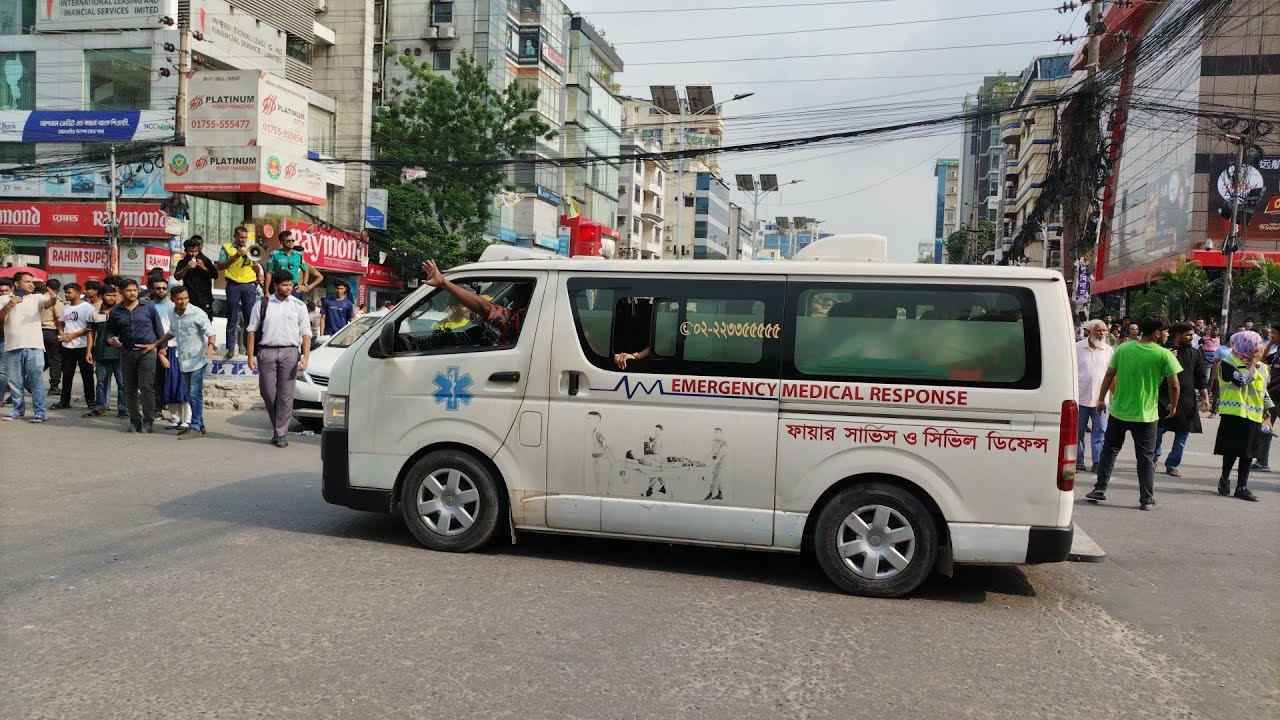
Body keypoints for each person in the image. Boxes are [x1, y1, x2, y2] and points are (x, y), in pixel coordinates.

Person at [1086, 316, 1182, 510]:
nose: (1167, 334)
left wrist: (1101, 400)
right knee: (1145, 457)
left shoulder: (1123, 349)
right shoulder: (1164, 354)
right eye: (1165, 331)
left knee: (1110, 450)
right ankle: (1146, 499)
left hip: (1119, 411)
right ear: (1156, 332)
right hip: (1146, 415)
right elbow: (1174, 385)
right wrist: (1173, 405)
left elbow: (1109, 375)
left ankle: (1099, 488)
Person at [247, 270, 312, 448]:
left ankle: (280, 432)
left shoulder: (298, 305)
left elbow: (306, 333)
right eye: (284, 285)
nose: (288, 288)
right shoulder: (262, 304)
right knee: (267, 392)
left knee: (286, 394)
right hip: (266, 352)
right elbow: (251, 330)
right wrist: (250, 355)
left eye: (290, 285)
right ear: (275, 286)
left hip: (290, 352)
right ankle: (279, 424)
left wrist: (305, 357)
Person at [421, 259, 531, 346]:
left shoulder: (523, 320)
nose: (515, 298)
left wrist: (444, 283)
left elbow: (484, 307)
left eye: (518, 292)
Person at [105, 278, 166, 433]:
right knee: (129, 389)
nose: (132, 293)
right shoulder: (116, 311)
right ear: (121, 292)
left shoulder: (148, 307)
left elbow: (159, 330)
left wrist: (162, 349)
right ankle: (134, 420)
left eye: (134, 290)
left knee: (146, 387)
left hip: (147, 353)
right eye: (128, 290)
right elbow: (110, 332)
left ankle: (148, 421)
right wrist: (111, 340)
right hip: (126, 352)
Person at [157, 286, 217, 438]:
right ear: (173, 300)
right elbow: (172, 332)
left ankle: (195, 426)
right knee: (189, 394)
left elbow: (211, 333)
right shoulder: (172, 313)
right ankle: (200, 424)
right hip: (184, 360)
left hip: (198, 359)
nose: (183, 301)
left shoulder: (197, 313)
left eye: (185, 298)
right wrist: (156, 344)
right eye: (179, 299)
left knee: (194, 393)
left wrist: (210, 348)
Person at [0, 272, 60, 423]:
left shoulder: (37, 298)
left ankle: (40, 412)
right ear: (16, 284)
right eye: (27, 281)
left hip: (34, 347)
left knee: (36, 381)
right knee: (15, 382)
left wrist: (53, 297)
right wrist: (9, 305)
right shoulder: (3, 299)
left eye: (32, 282)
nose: (31, 284)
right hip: (12, 347)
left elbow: (49, 304)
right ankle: (17, 410)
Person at [1214, 330, 1266, 502]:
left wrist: (1268, 414)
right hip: (1234, 415)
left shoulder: (1263, 367)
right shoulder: (1227, 363)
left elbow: (1263, 392)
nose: (1260, 347)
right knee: (1231, 451)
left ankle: (1241, 487)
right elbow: (1241, 380)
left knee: (1248, 453)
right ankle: (1224, 478)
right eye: (1257, 344)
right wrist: (1254, 363)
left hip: (1254, 416)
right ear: (1246, 345)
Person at [1154, 321, 1210, 478]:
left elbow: (1201, 378)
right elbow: (1153, 372)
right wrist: (1165, 359)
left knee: (1182, 435)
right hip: (1164, 398)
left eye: (1192, 335)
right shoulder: (1164, 350)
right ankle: (1153, 458)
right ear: (1178, 335)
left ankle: (1172, 464)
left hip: (1186, 401)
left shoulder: (1196, 354)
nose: (1192, 338)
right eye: (1188, 335)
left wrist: (1205, 398)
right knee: (1158, 431)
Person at [217, 226, 263, 359]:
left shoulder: (252, 249)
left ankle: (251, 349)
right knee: (232, 317)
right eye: (241, 237)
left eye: (245, 237)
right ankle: (230, 348)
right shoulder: (226, 247)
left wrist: (255, 265)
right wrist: (236, 256)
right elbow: (220, 266)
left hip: (249, 285)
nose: (243, 240)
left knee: (251, 318)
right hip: (233, 285)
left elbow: (257, 271)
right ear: (235, 237)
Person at [1076, 319, 1113, 473]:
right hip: (1080, 398)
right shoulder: (1077, 348)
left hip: (1101, 399)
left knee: (1100, 430)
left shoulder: (1109, 350)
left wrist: (1114, 396)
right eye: (1098, 330)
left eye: (1104, 330)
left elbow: (1112, 375)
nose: (1102, 333)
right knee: (1077, 431)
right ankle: (1078, 460)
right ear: (1089, 331)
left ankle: (1097, 461)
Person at [148, 277, 186, 427]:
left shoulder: (173, 306)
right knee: (154, 379)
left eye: (164, 288)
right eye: (158, 288)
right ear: (153, 289)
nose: (161, 291)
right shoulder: (148, 306)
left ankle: (178, 415)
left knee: (171, 380)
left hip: (169, 347)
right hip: (152, 346)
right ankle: (156, 409)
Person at [52, 282, 95, 411]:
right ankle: (64, 401)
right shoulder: (66, 307)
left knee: (87, 375)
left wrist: (74, 335)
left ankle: (91, 401)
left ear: (77, 292)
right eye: (65, 292)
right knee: (67, 375)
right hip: (67, 347)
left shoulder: (88, 308)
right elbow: (61, 322)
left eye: (69, 292)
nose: (66, 295)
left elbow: (90, 328)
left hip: (83, 346)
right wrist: (61, 332)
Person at [85, 284, 125, 418]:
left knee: (122, 383)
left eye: (114, 295)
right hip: (101, 353)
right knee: (101, 382)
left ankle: (123, 408)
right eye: (108, 295)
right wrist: (89, 351)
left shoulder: (121, 312)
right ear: (101, 296)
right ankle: (101, 408)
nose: (112, 298)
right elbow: (90, 334)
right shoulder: (94, 314)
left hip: (120, 353)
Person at [265, 231, 324, 297]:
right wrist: (266, 291)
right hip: (279, 288)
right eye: (288, 241)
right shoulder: (275, 254)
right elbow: (269, 273)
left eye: (293, 240)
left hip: (294, 289)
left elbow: (305, 270)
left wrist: (304, 285)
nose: (291, 242)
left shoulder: (298, 255)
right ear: (281, 242)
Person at [174, 236, 219, 317]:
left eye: (196, 251)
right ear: (186, 251)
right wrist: (186, 268)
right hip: (190, 299)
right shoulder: (183, 262)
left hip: (204, 298)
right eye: (191, 251)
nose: (194, 254)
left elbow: (215, 275)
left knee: (206, 322)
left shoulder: (205, 260)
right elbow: (177, 276)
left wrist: (204, 268)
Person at [39, 278, 64, 396]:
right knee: (55, 360)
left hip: (38, 332)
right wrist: (61, 333)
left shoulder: (39, 299)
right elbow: (59, 318)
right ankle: (54, 386)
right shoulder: (56, 301)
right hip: (51, 331)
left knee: (42, 359)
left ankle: (27, 380)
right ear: (58, 289)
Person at [704, 427, 728, 501]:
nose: (715, 434)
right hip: (715, 461)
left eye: (716, 432)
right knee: (718, 478)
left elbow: (720, 455)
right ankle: (720, 494)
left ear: (720, 433)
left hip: (721, 462)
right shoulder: (715, 441)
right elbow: (711, 452)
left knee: (715, 477)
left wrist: (713, 464)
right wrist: (705, 460)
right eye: (714, 432)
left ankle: (710, 494)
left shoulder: (723, 443)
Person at [0, 276, 12, 405]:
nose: (3, 293)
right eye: (1, 291)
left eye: (5, 291)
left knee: (3, 371)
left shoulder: (15, 303)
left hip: (6, 340)